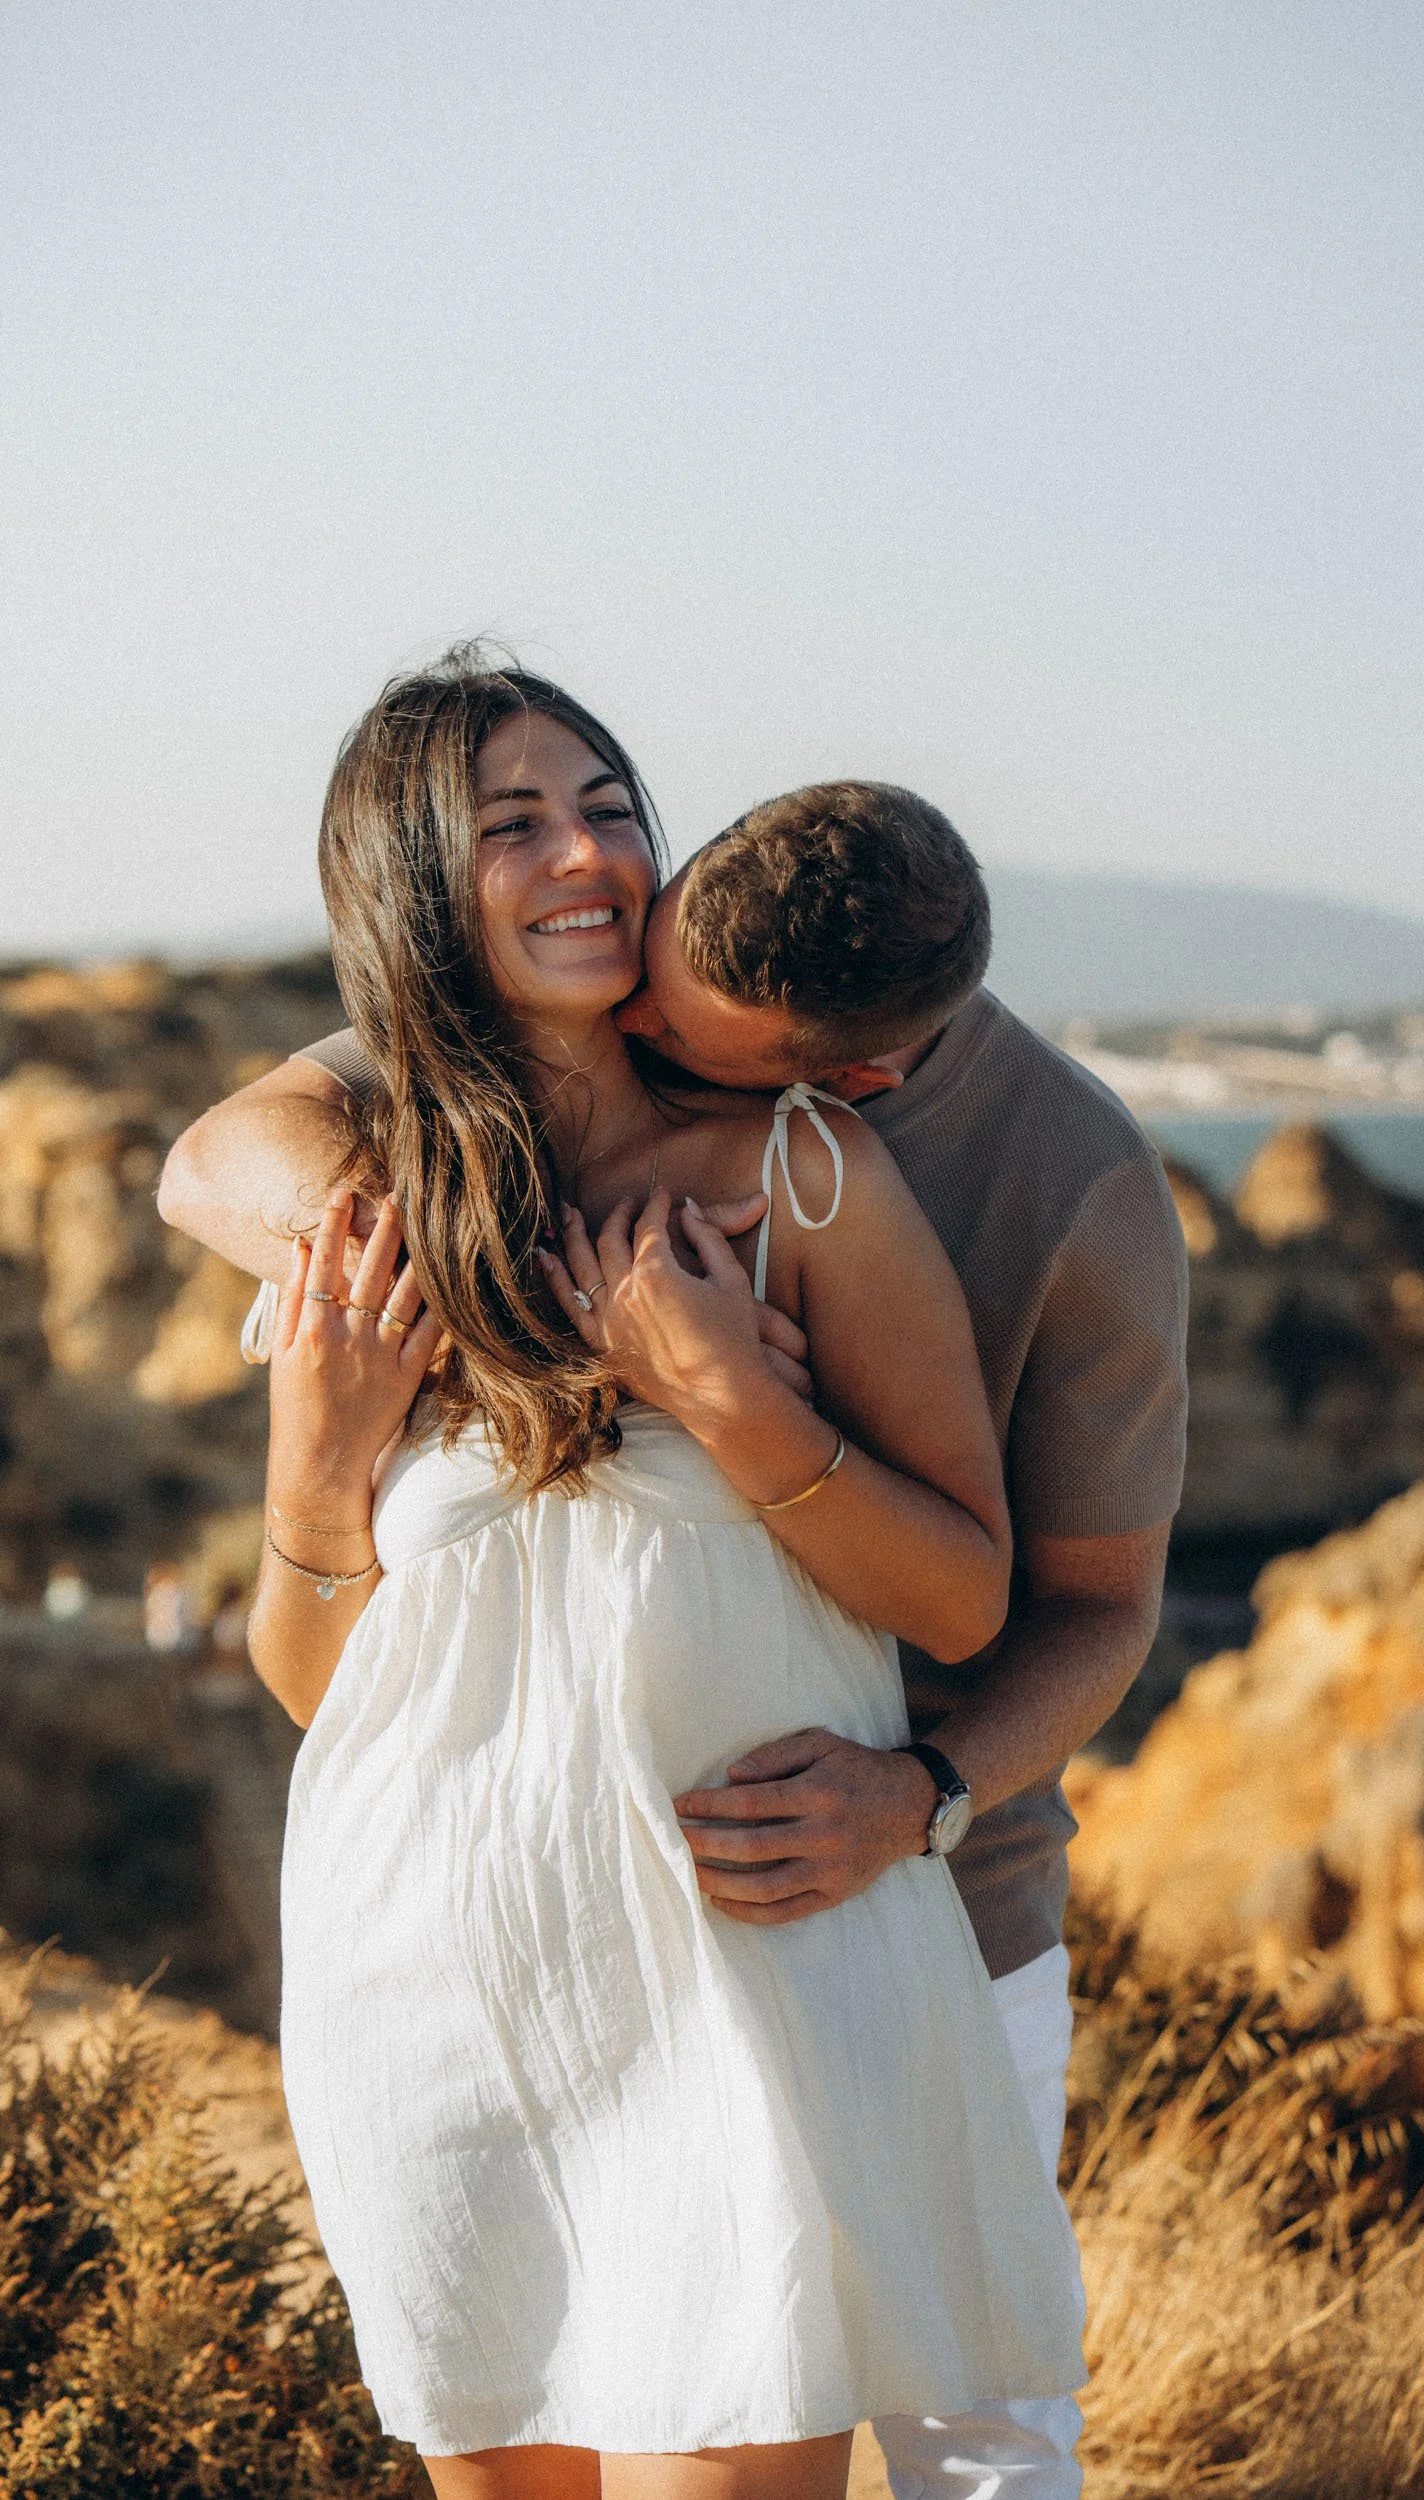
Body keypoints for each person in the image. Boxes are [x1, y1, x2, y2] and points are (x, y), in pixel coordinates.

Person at [161, 686, 1189, 2500]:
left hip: (806, 1936)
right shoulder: (377, 1203)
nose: (594, 876)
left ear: (843, 1075)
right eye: (515, 822)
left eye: (604, 805)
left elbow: (1024, 1604)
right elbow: (332, 1686)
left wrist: (731, 1403)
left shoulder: (912, 1169)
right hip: (443, 1982)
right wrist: (320, 1459)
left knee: (982, 2457)